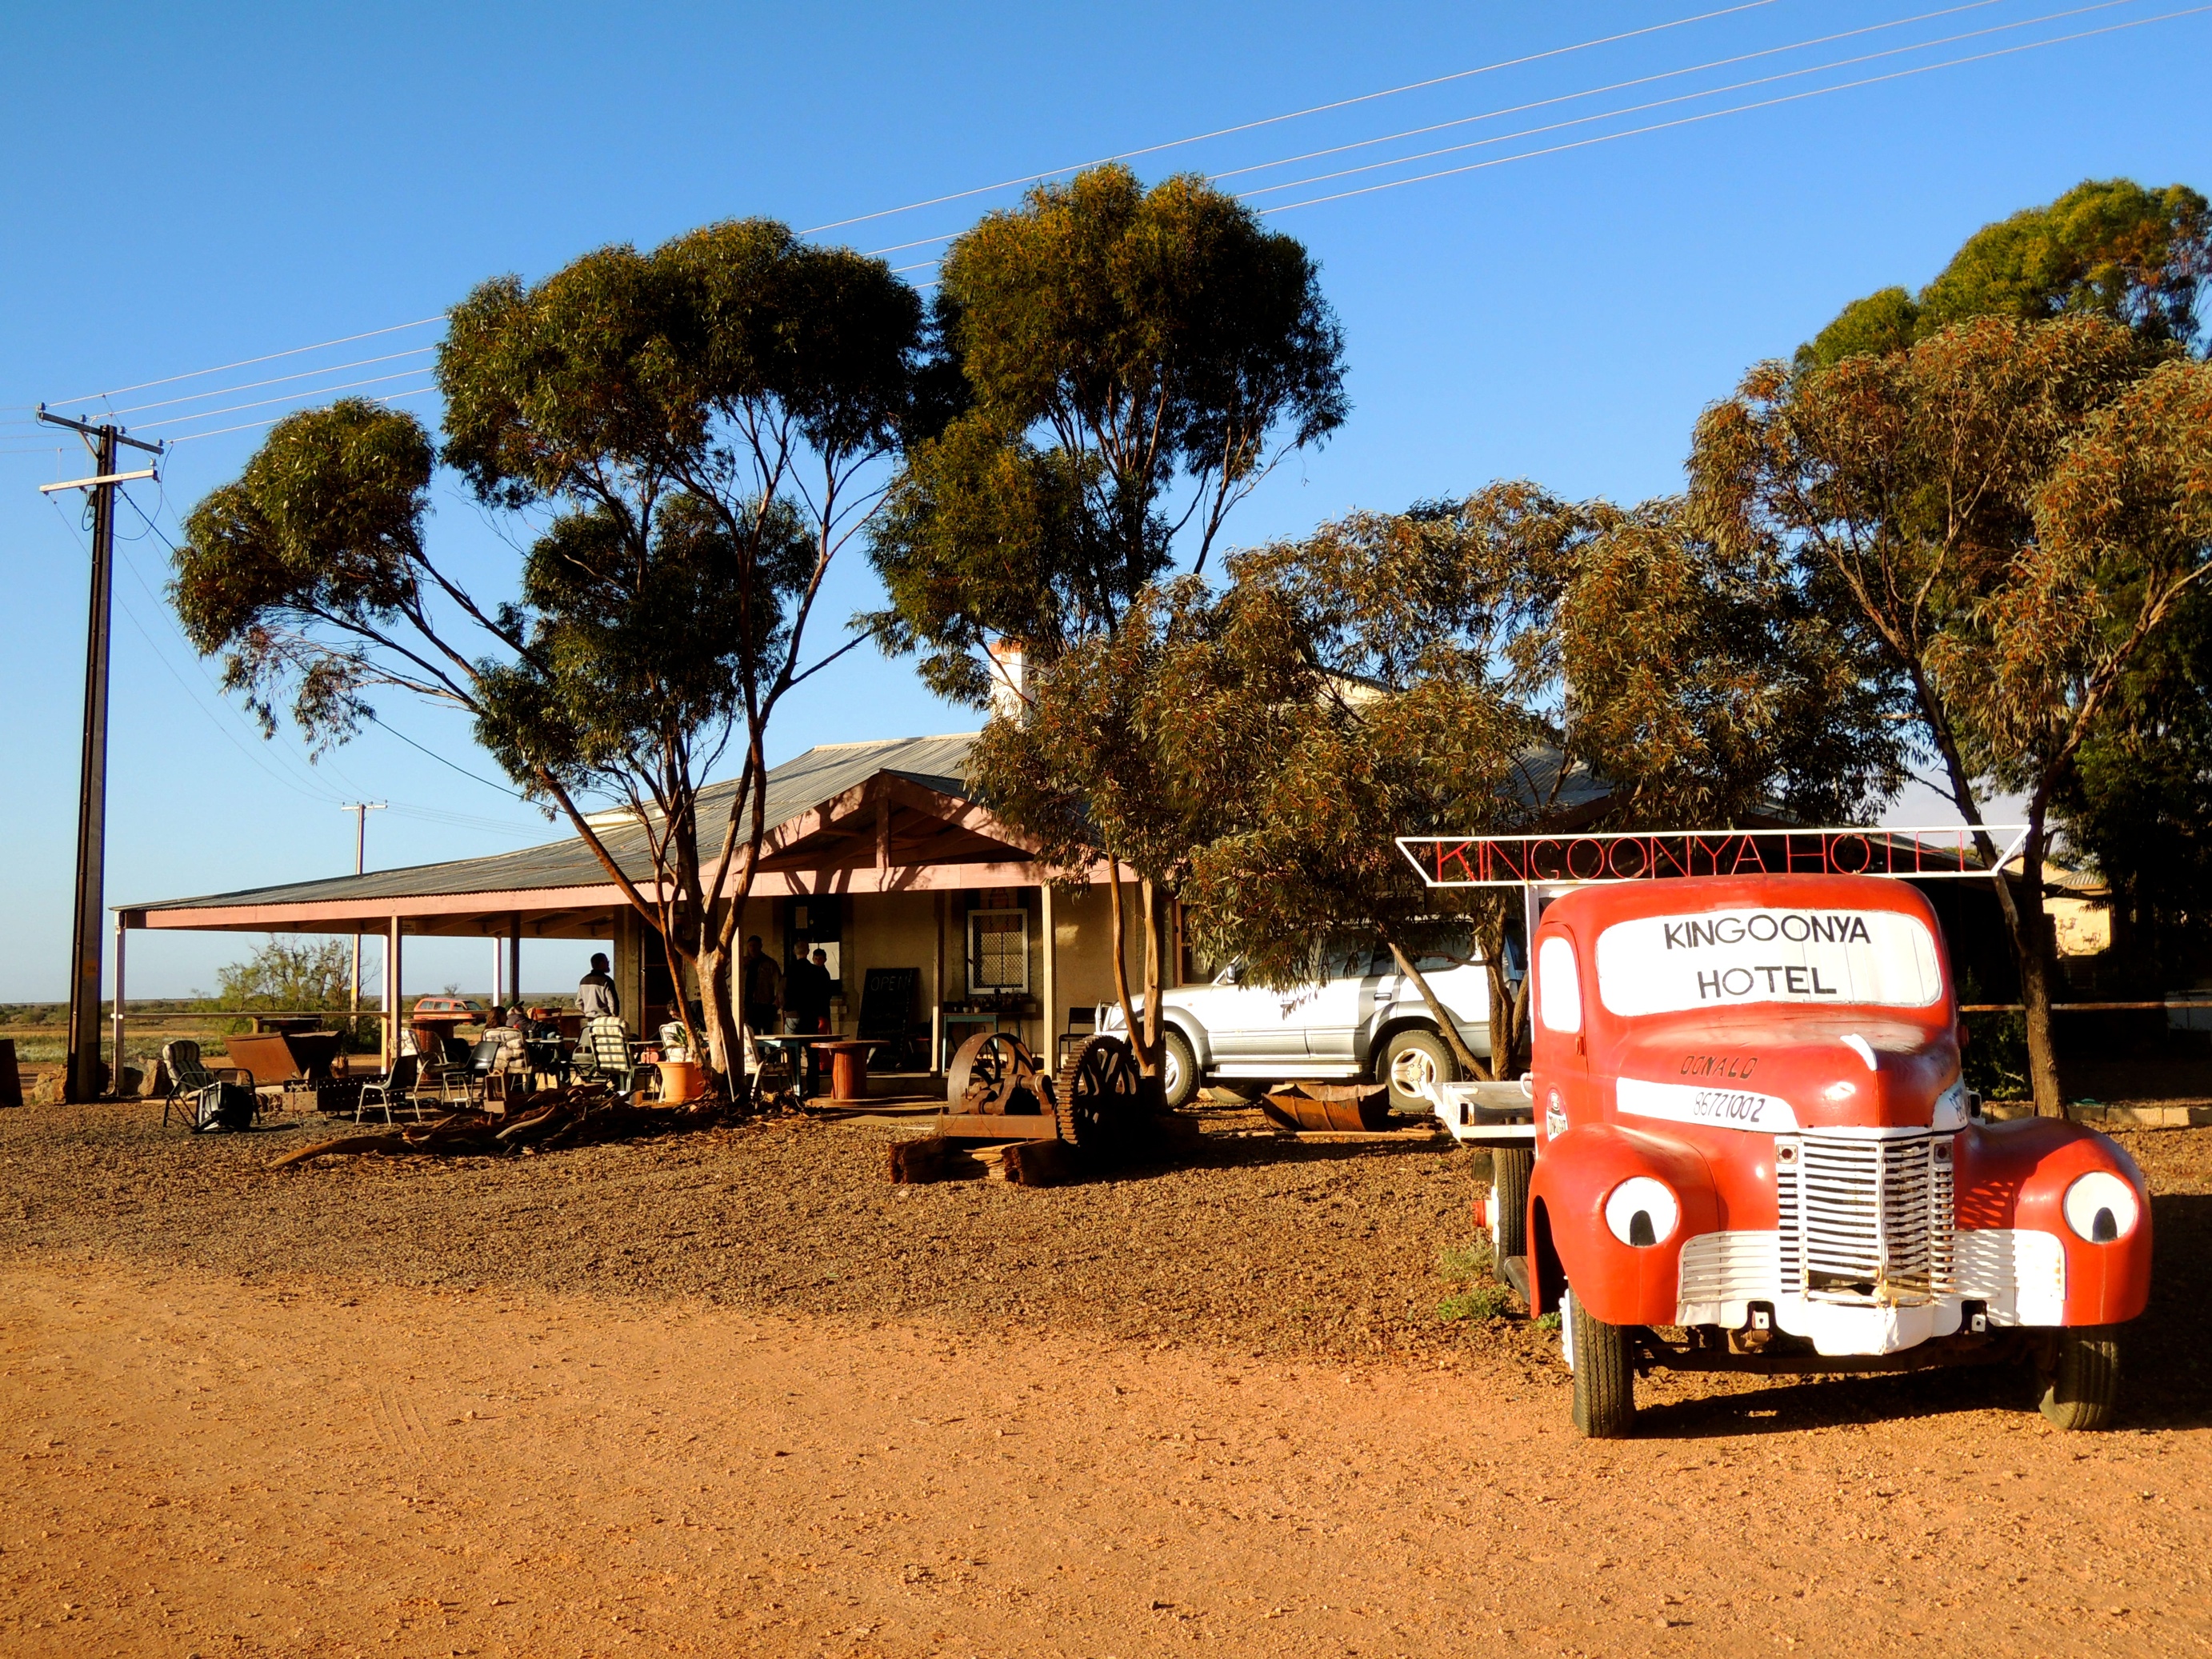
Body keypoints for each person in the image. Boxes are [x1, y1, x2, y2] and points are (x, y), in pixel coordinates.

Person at [782, 942, 833, 1035]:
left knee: (791, 1043)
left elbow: (782, 989)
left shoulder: (789, 970)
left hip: (792, 1012)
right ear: (808, 952)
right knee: (811, 1044)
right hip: (811, 1013)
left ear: (794, 952)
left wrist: (784, 1007)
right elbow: (821, 993)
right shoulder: (816, 971)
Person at [740, 936, 780, 1039]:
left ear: (761, 946)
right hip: (749, 1003)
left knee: (768, 1032)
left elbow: (778, 982)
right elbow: (728, 971)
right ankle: (758, 1054)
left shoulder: (770, 963)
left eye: (755, 945)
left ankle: (772, 1054)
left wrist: (778, 999)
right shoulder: (743, 963)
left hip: (766, 1003)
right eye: (750, 946)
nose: (753, 948)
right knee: (752, 1032)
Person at [578, 953, 620, 1021]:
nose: (608, 963)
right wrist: (613, 1016)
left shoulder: (583, 981)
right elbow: (612, 1002)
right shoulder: (606, 981)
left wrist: (588, 1013)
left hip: (589, 1020)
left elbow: (578, 1003)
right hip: (605, 1020)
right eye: (606, 961)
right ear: (601, 963)